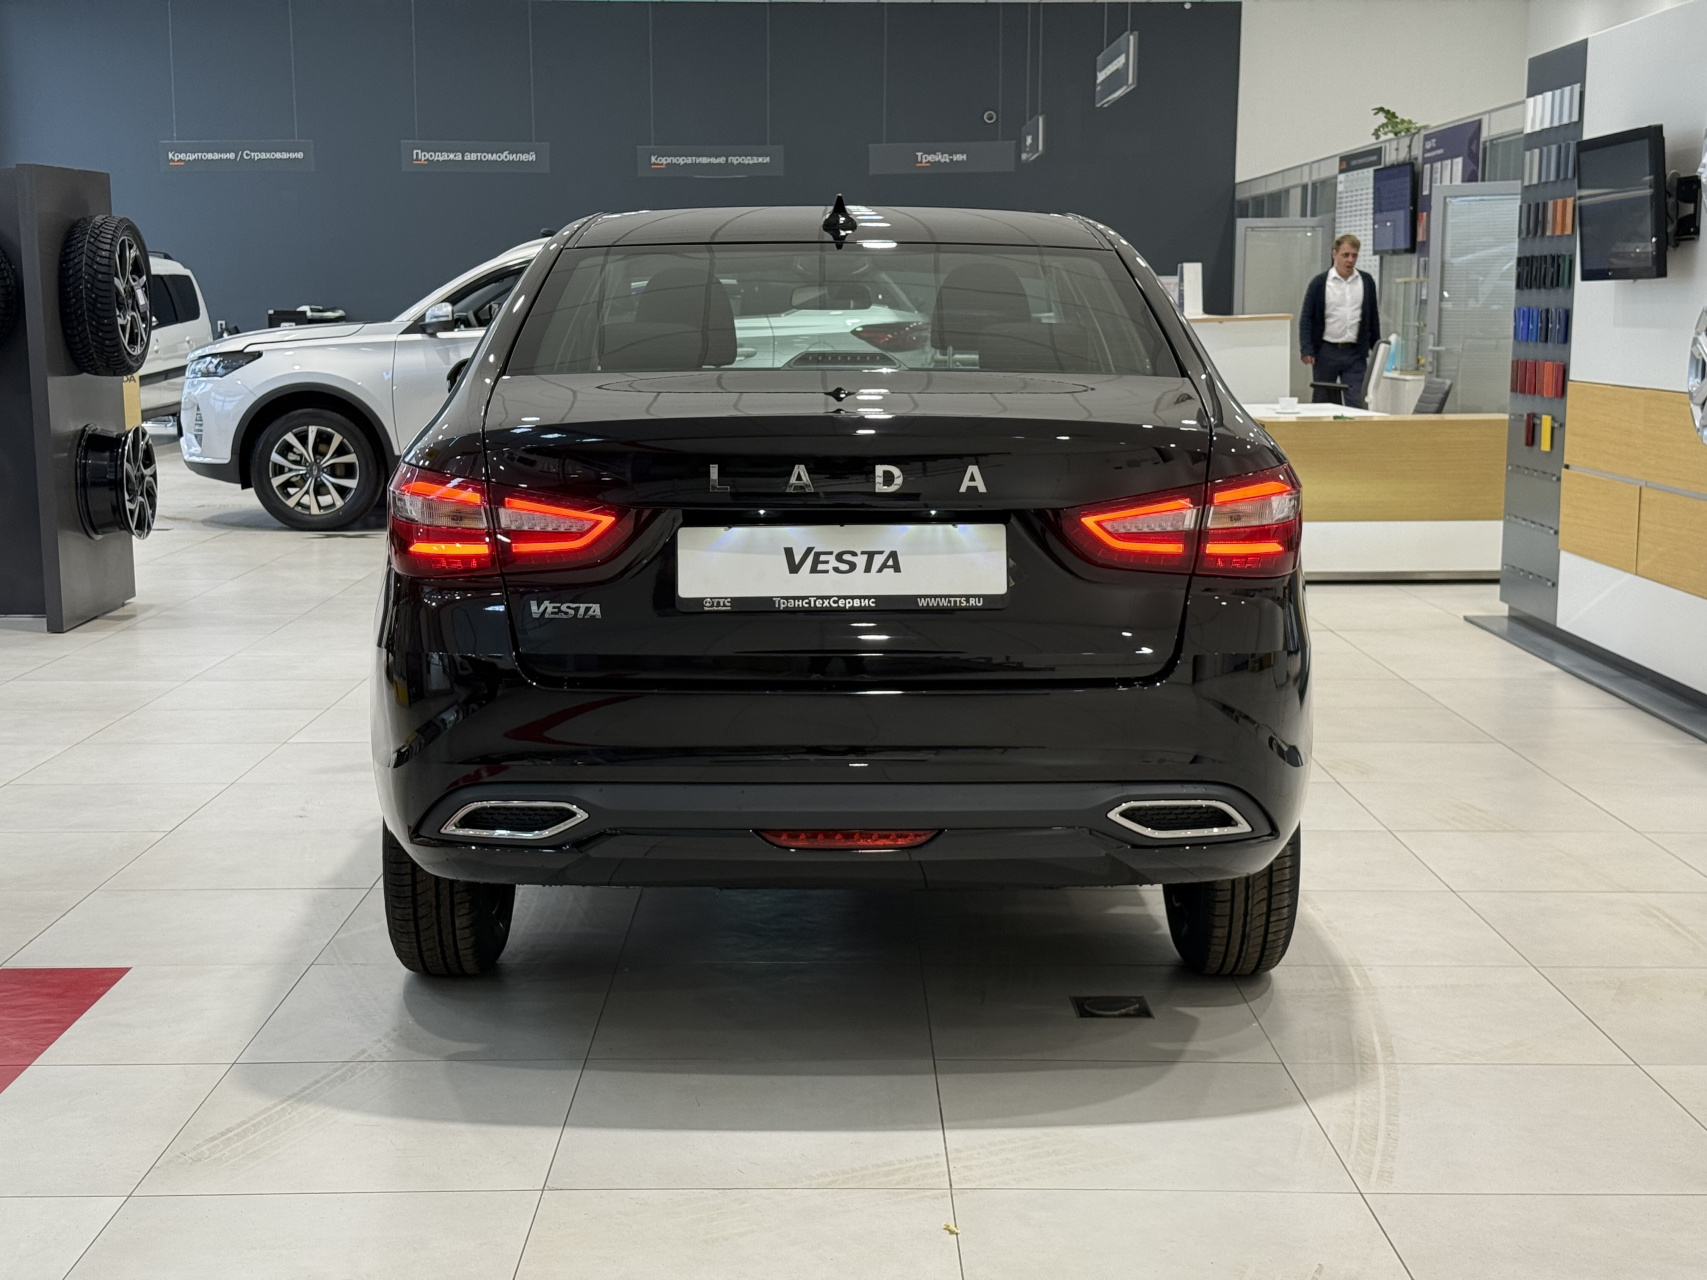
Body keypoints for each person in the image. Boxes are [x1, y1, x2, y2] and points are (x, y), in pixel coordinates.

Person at [1299, 234, 1380, 408]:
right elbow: (1307, 318)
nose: (1350, 260)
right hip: (1326, 351)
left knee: (1357, 401)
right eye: (1346, 255)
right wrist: (1306, 348)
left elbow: (1373, 316)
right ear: (1334, 254)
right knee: (1323, 401)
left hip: (1355, 353)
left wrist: (1377, 347)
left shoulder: (1366, 281)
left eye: (1354, 255)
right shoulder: (1320, 283)